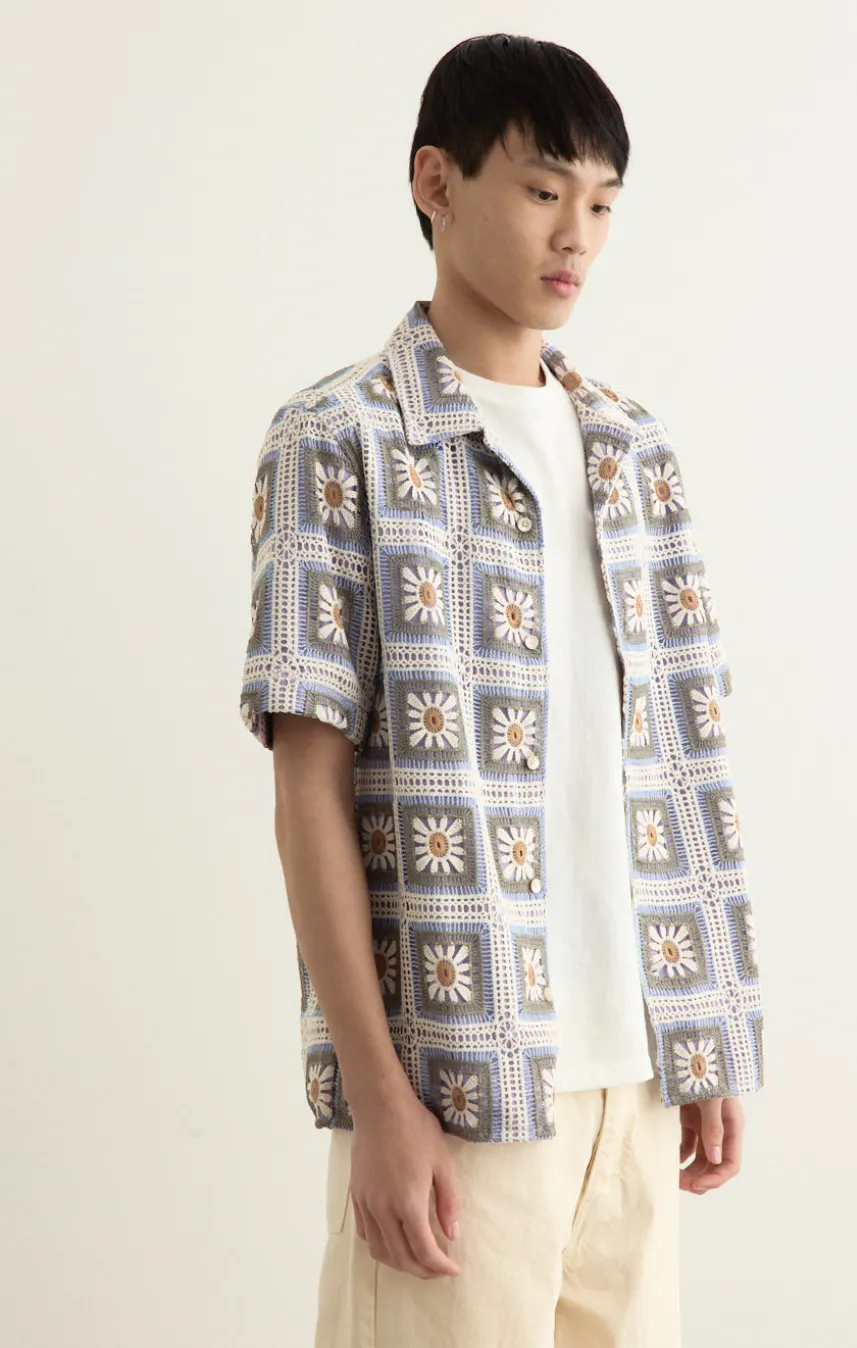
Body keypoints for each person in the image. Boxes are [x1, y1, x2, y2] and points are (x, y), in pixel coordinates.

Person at [239, 32, 765, 1348]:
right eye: (541, 190)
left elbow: (675, 759)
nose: (575, 234)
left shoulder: (634, 452)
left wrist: (698, 1035)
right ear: (437, 182)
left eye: (601, 203)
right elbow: (307, 795)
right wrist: (379, 1099)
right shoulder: (339, 440)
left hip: (635, 1090)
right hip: (458, 1087)